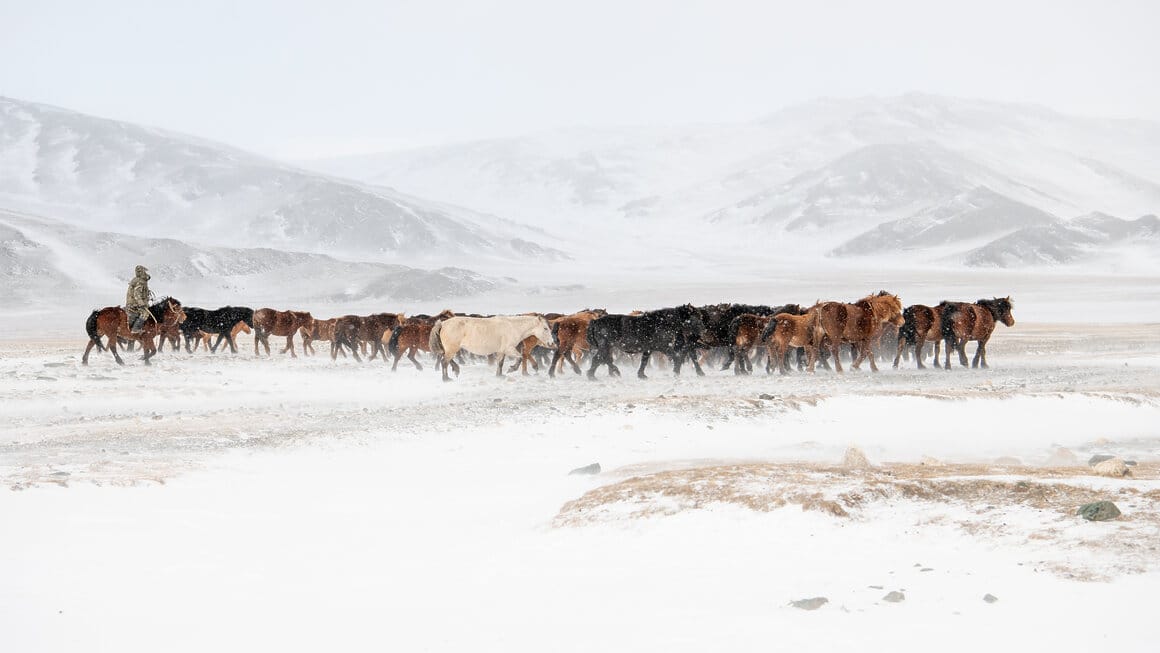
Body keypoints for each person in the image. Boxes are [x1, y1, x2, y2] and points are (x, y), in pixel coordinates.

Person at [124, 265, 154, 333]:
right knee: (145, 313)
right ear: (142, 272)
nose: (146, 273)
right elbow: (137, 294)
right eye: (144, 271)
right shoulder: (140, 281)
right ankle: (136, 328)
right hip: (135, 303)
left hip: (132, 302)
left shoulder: (137, 280)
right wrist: (142, 303)